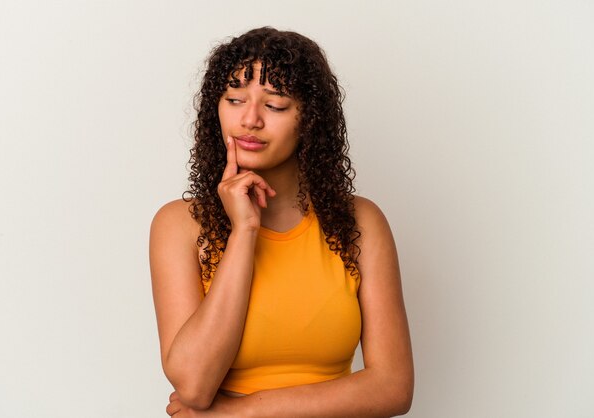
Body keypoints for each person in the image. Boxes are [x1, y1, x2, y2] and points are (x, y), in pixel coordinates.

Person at [149, 27, 414, 417]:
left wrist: (237, 414)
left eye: (275, 105)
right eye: (234, 99)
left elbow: (393, 388)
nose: (250, 119)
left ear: (310, 119)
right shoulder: (179, 226)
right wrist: (244, 230)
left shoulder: (360, 222)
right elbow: (193, 384)